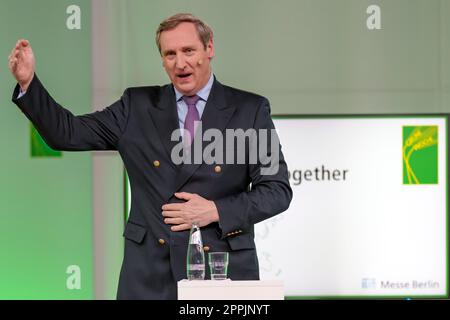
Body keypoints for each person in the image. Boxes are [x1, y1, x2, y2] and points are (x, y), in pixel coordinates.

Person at [8, 13, 292, 299]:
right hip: (149, 276)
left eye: (188, 51)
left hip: (220, 271)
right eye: (170, 54)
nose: (180, 63)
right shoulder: (137, 106)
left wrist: (215, 211)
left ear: (209, 49)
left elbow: (277, 191)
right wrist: (28, 83)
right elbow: (66, 133)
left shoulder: (249, 110)